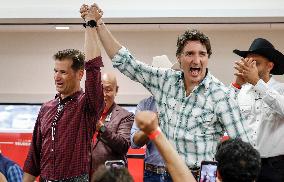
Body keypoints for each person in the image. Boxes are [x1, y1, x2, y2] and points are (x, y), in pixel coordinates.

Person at [80, 3, 251, 179]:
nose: (196, 60)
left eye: (202, 54)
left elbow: (246, 147)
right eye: (190, 54)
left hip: (202, 176)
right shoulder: (165, 81)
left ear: (208, 57)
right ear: (179, 57)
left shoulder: (220, 95)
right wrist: (98, 23)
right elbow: (126, 63)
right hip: (168, 175)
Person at [22, 6, 104, 181]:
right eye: (55, 71)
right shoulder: (46, 108)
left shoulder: (87, 105)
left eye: (63, 72)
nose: (56, 77)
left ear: (79, 74)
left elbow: (93, 66)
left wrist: (90, 25)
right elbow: (33, 159)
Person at [231, 38, 284, 182]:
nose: (250, 68)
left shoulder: (281, 90)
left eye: (256, 63)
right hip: (243, 163)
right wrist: (237, 85)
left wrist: (257, 82)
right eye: (248, 63)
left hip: (274, 166)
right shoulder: (241, 92)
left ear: (270, 66)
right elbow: (224, 113)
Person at [131, 55, 178, 182]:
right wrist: (152, 123)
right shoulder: (144, 105)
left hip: (176, 173)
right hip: (152, 174)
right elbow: (134, 142)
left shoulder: (182, 104)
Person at [91, 72, 134, 176]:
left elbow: (123, 145)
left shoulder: (125, 116)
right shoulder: (88, 114)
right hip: (86, 176)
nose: (103, 94)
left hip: (111, 176)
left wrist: (101, 128)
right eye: (100, 89)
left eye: (108, 89)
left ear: (116, 90)